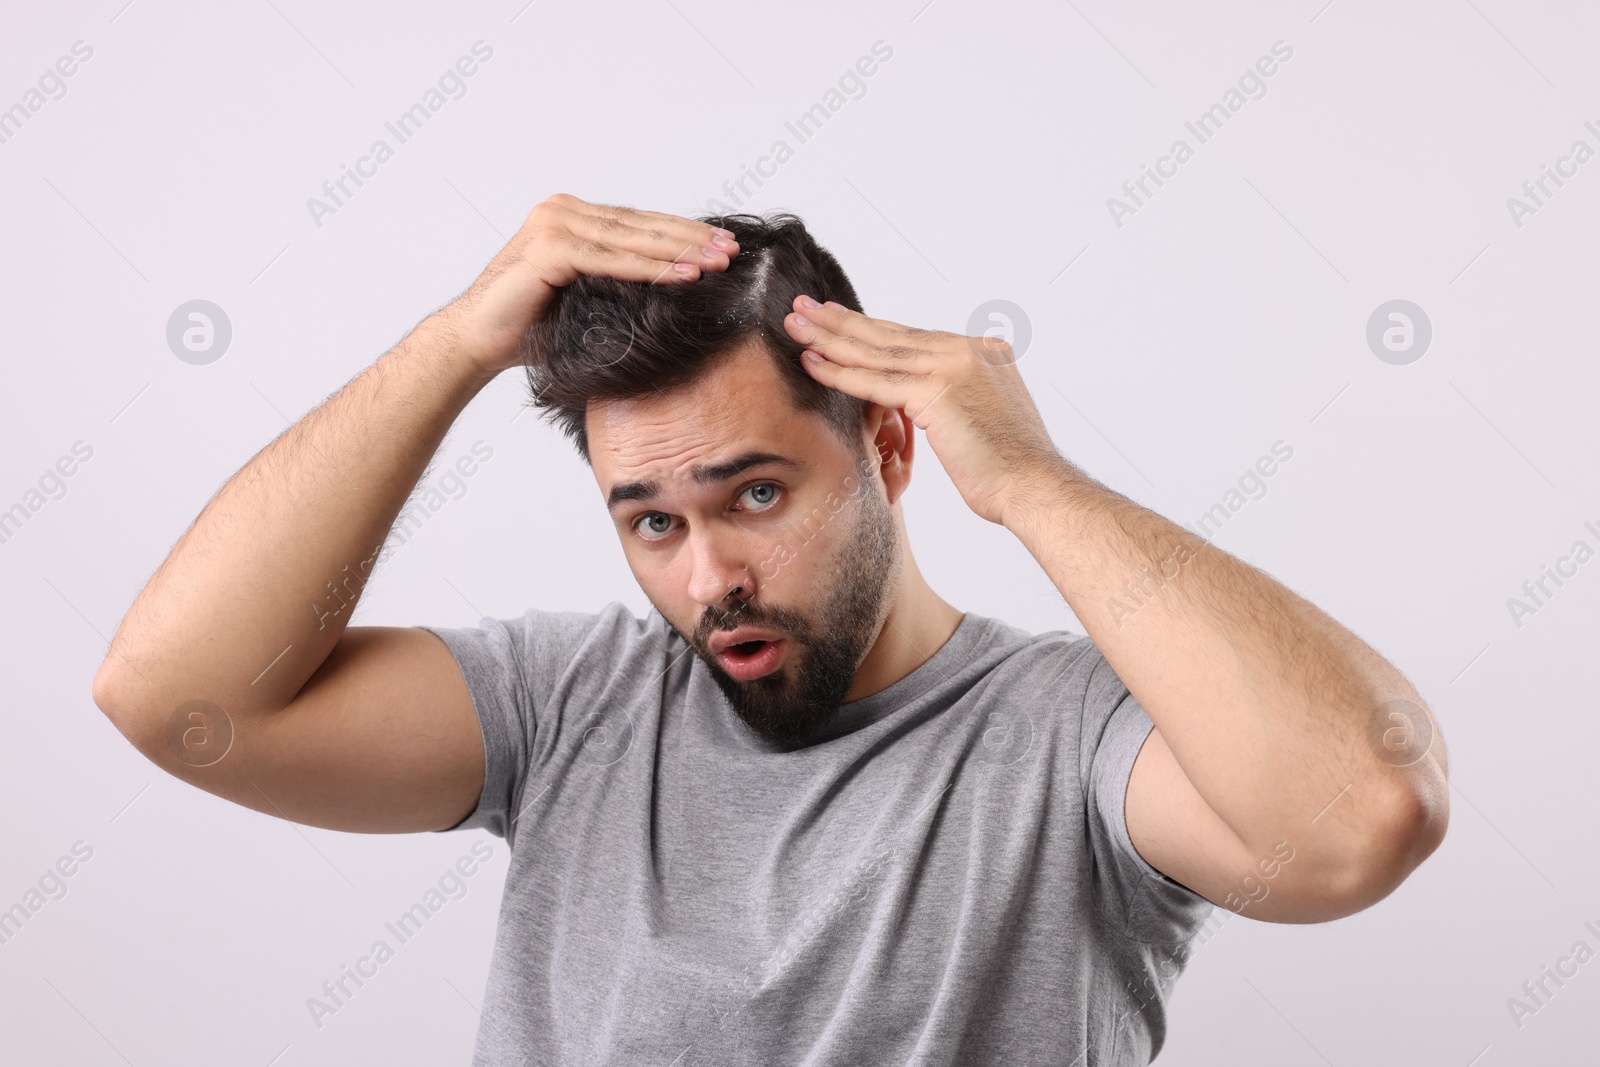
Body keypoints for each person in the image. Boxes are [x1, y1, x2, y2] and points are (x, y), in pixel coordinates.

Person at [93, 194, 1450, 1065]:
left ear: (891, 448)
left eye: (756, 493)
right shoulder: (571, 705)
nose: (711, 580)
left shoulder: (1069, 737)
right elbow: (175, 696)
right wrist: (458, 344)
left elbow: (1361, 815)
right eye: (654, 522)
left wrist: (1036, 485)